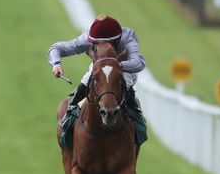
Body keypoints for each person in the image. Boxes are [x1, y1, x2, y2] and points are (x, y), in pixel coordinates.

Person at [48, 14, 147, 145]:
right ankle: (69, 119)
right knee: (83, 85)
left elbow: (139, 62)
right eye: (97, 45)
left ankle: (138, 121)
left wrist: (116, 66)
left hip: (124, 69)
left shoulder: (127, 36)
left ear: (117, 40)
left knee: (123, 86)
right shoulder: (89, 38)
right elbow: (57, 48)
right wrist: (56, 64)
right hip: (98, 69)